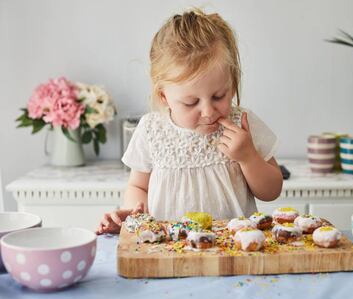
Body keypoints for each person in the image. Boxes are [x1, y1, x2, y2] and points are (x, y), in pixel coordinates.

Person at [96, 8, 283, 235]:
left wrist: (248, 157)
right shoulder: (151, 130)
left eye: (218, 96)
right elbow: (137, 186)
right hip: (169, 253)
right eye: (190, 102)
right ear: (164, 97)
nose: (207, 111)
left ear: (232, 85)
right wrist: (134, 212)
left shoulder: (242, 125)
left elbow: (272, 190)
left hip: (233, 252)